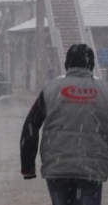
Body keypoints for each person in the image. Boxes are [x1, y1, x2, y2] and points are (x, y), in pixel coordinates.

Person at [20, 44, 108, 205]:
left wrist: (28, 167)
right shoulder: (104, 91)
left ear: (67, 64)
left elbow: (30, 127)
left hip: (58, 168)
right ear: (92, 65)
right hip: (91, 169)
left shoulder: (50, 89)